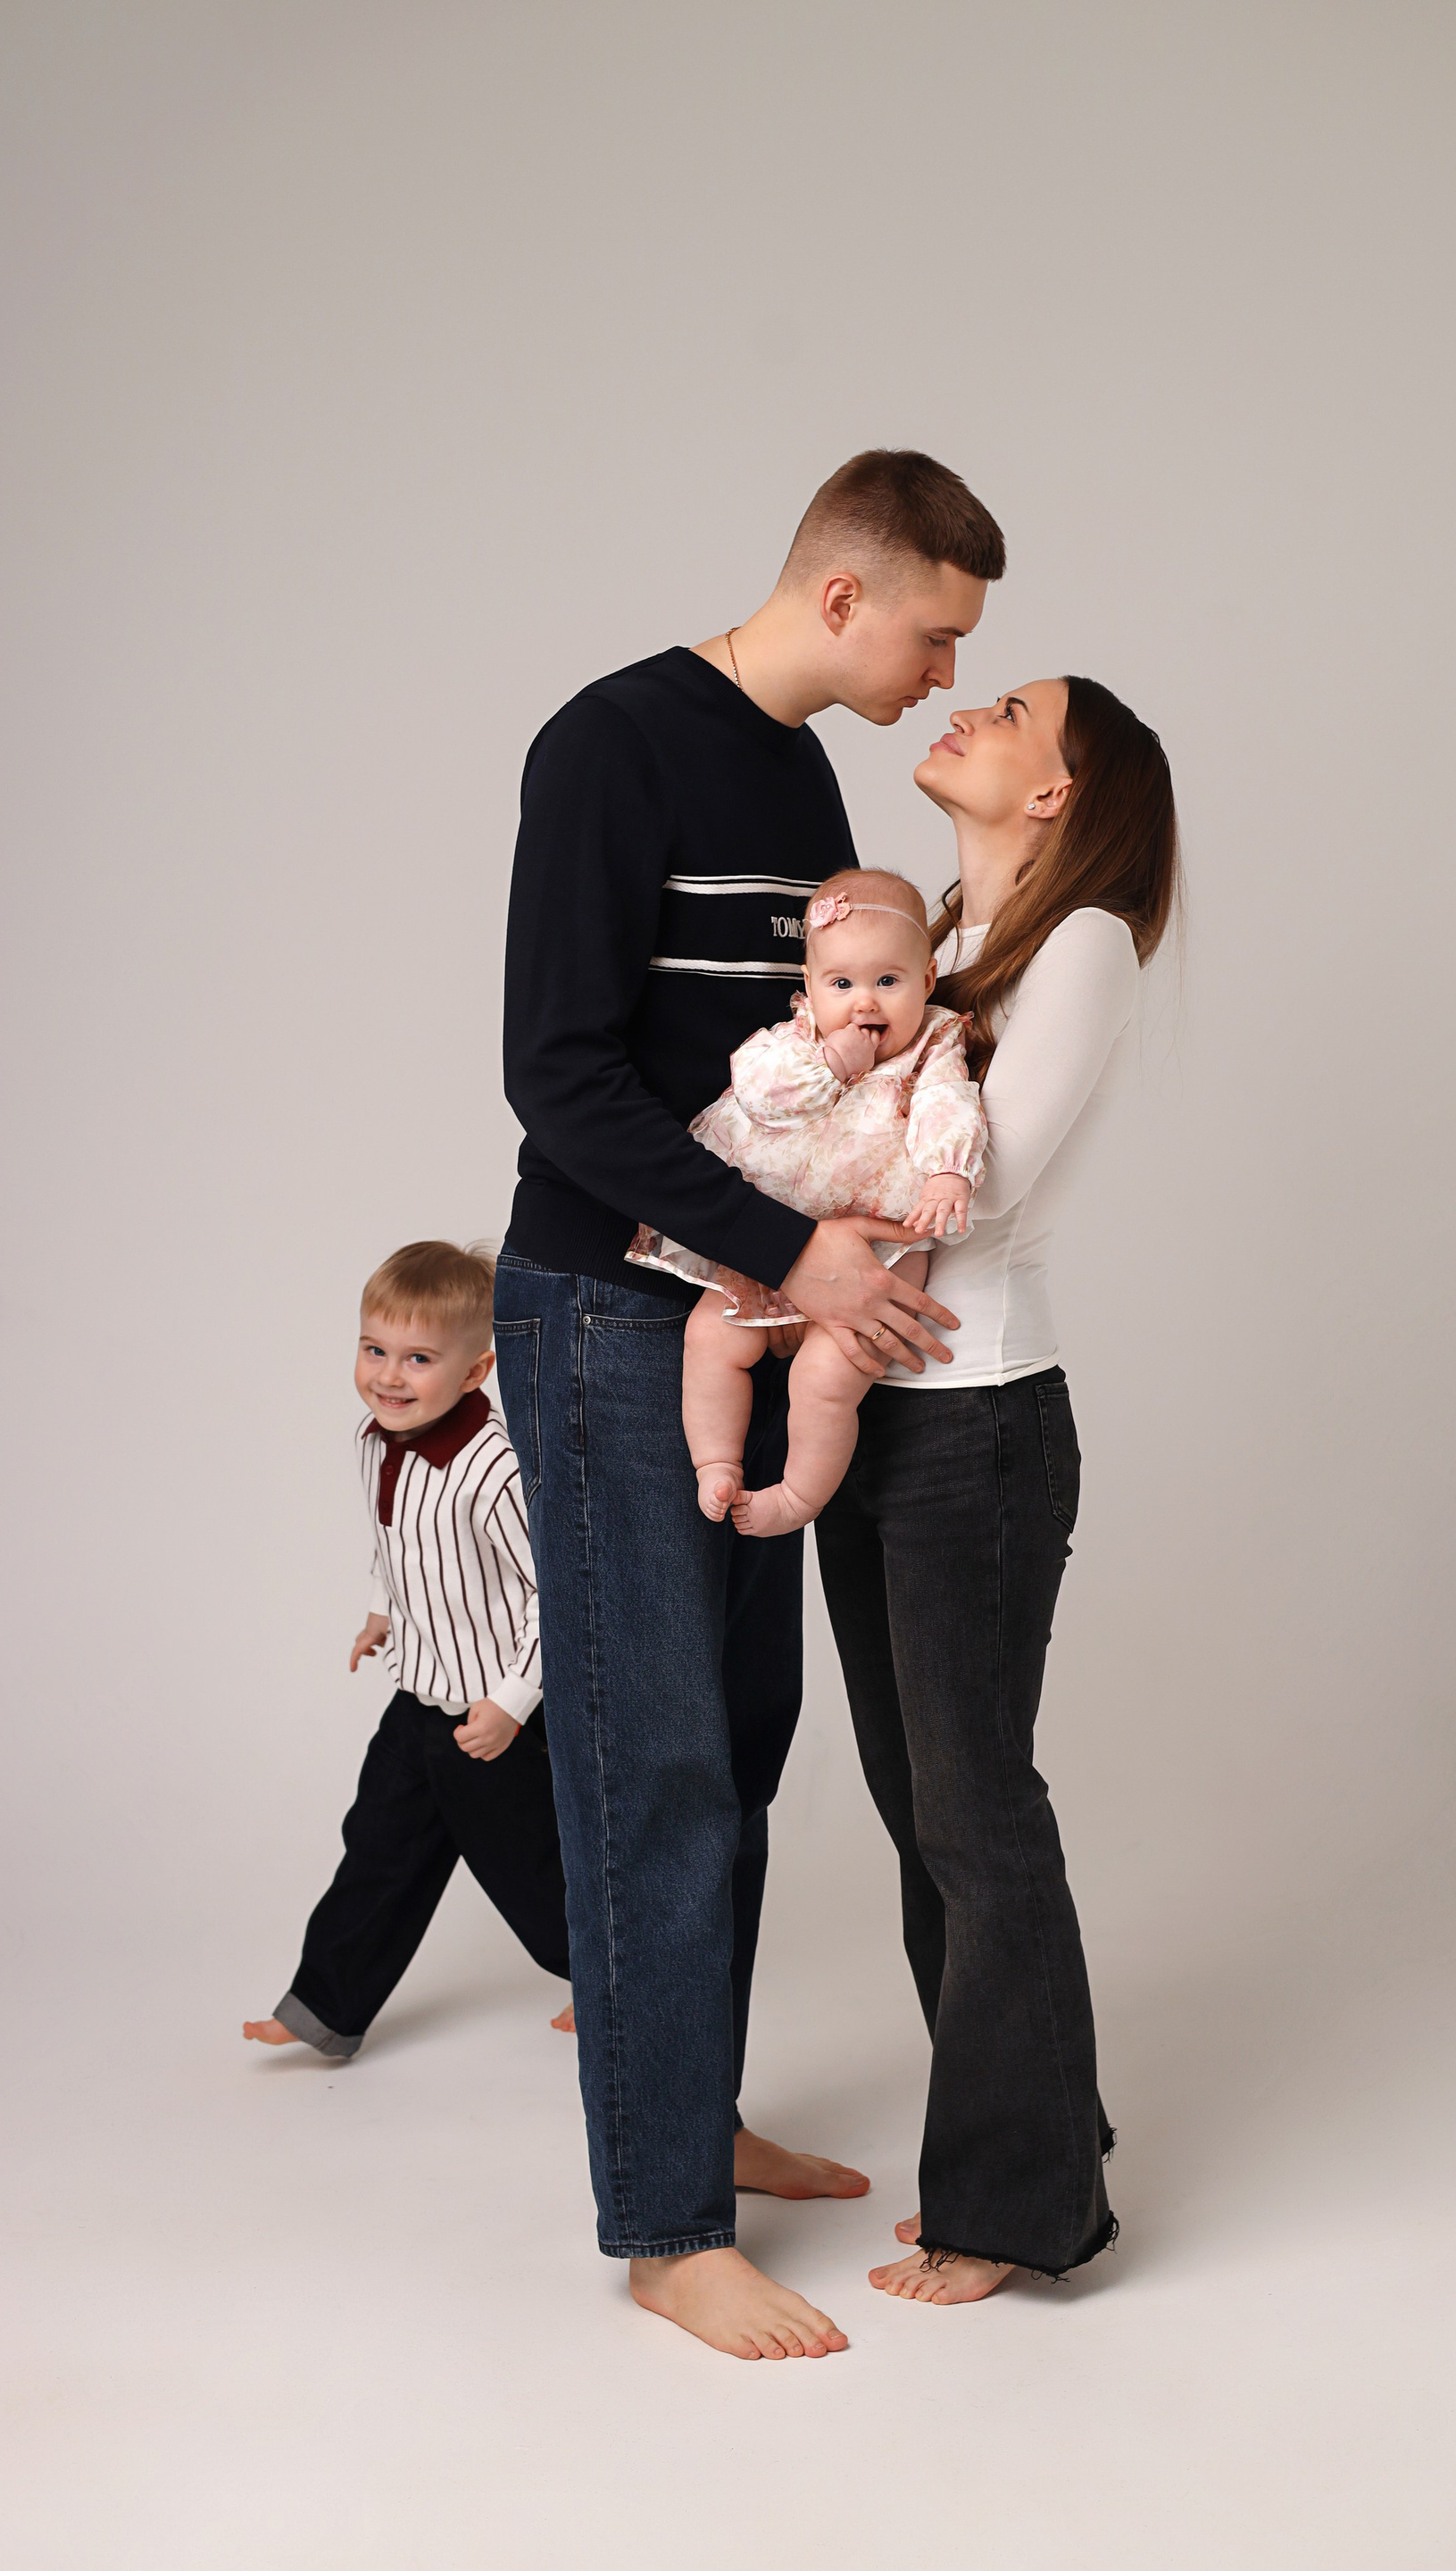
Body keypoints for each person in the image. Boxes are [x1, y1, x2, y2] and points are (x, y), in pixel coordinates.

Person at [497, 451, 1005, 2360]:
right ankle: (664, 2228)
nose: (945, 676)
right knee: (653, 1764)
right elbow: (557, 1073)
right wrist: (796, 1260)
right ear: (845, 594)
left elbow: (814, 1056)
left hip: (751, 1321)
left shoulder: (803, 784)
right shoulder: (610, 745)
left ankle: (688, 2108)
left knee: (744, 1734)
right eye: (935, 634)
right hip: (607, 1319)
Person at [814, 676, 1178, 2303]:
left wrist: (810, 1238)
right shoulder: (947, 934)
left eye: (1015, 708)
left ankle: (1019, 2209)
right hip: (879, 1413)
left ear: (1057, 792)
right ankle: (1039, 2131)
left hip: (977, 1426)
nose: (967, 703)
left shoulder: (1082, 938)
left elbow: (979, 1179)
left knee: (972, 1810)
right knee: (923, 1812)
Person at [243, 1241, 574, 2063]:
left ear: (475, 1371)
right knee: (379, 1845)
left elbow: (555, 1592)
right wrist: (380, 1611)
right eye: (375, 1349)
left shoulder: (494, 1469)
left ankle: (613, 1982)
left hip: (493, 1715)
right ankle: (325, 2007)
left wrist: (512, 1702)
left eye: (419, 1359)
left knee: (532, 1869)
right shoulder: (374, 1438)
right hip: (419, 1697)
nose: (389, 1376)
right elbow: (400, 1546)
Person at [628, 867, 987, 1537]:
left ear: (928, 979)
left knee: (826, 1376)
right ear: (810, 984)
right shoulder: (794, 1044)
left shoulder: (934, 1045)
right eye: (841, 984)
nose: (864, 1003)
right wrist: (832, 1064)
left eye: (888, 981)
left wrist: (948, 1172)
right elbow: (759, 1095)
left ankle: (798, 1497)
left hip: (879, 1244)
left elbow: (948, 1103)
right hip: (773, 1236)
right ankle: (716, 1461)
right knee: (710, 1337)